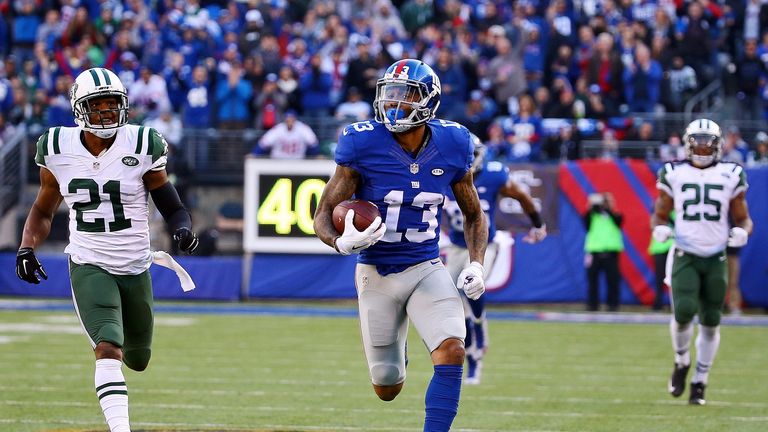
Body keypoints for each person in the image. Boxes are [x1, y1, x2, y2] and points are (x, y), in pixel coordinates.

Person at [14, 67, 199, 432]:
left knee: (139, 358)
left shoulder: (143, 143)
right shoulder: (56, 147)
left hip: (135, 265)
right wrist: (26, 247)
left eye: (113, 105)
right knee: (108, 346)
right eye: (98, 106)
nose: (107, 113)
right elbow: (42, 208)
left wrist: (182, 230)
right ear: (80, 109)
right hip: (89, 261)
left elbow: (171, 204)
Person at [313, 59, 488, 431]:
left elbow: (474, 213)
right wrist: (341, 243)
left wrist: (475, 262)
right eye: (389, 94)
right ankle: (399, 351)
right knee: (387, 387)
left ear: (429, 101)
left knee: (452, 348)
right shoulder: (361, 142)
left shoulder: (454, 142)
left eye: (406, 95)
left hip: (427, 267)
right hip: (376, 273)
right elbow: (323, 213)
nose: (395, 103)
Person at [652, 118, 753, 405]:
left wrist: (742, 231)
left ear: (718, 144)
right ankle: (681, 360)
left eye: (708, 140)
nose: (703, 146)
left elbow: (743, 217)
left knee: (711, 320)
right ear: (687, 142)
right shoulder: (674, 172)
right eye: (698, 139)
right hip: (685, 252)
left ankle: (700, 381)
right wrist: (658, 227)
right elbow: (659, 213)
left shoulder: (731, 173)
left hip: (716, 255)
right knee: (683, 312)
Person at [442, 134, 547, 385]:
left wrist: (538, 225)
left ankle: (478, 335)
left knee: (471, 287)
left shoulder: (493, 174)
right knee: (452, 306)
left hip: (483, 244)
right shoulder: (442, 174)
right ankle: (474, 339)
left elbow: (522, 196)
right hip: (457, 245)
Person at [583, 192, 624, 312]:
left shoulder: (615, 215)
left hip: (611, 252)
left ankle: (613, 304)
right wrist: (591, 207)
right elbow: (585, 223)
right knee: (592, 280)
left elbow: (619, 221)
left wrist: (608, 209)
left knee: (612, 280)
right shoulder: (592, 216)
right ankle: (592, 304)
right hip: (594, 251)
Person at [250, 110, 319, 159]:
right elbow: (263, 143)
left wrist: (316, 155)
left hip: (297, 162)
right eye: (288, 119)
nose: (289, 121)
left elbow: (313, 143)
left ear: (295, 119)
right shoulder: (278, 129)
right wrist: (254, 154)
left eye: (291, 119)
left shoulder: (302, 128)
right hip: (278, 162)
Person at [648, 211, 674, 311]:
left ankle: (674, 304)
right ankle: (658, 303)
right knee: (659, 278)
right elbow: (653, 227)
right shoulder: (656, 215)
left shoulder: (678, 212)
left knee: (675, 278)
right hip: (659, 250)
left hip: (673, 249)